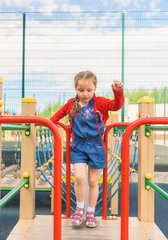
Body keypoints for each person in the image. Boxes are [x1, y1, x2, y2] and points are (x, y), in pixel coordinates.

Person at [50, 70, 124, 228]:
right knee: (79, 177)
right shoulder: (72, 104)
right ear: (75, 88)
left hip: (96, 146)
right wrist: (49, 123)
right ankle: (79, 208)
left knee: (92, 180)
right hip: (78, 146)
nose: (85, 94)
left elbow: (116, 106)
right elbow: (59, 114)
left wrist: (118, 93)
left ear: (95, 88)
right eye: (81, 90)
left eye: (89, 90)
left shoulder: (100, 103)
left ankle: (91, 212)